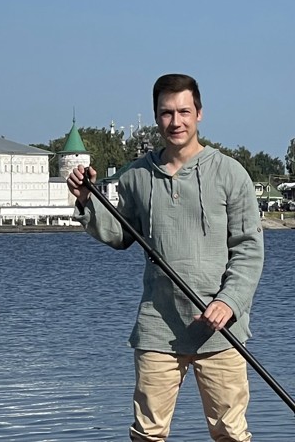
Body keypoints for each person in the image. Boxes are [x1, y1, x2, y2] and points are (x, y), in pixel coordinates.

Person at [67, 74, 264, 441]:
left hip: (221, 331)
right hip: (158, 327)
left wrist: (229, 302)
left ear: (199, 114)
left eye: (184, 112)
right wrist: (85, 198)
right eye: (166, 113)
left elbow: (249, 250)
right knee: (148, 433)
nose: (176, 122)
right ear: (156, 116)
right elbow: (119, 233)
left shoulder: (230, 173)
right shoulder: (137, 175)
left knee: (230, 433)